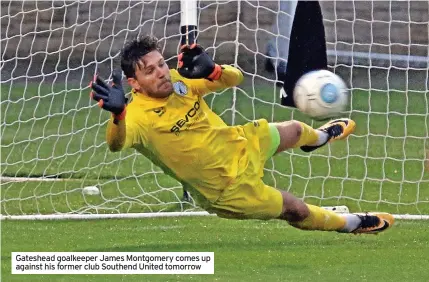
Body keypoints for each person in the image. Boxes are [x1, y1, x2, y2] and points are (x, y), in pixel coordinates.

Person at [90, 35, 394, 234]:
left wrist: (213, 71)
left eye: (161, 64)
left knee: (297, 129)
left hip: (240, 143)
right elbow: (116, 144)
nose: (161, 73)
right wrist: (118, 114)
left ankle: (322, 138)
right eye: (150, 71)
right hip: (227, 188)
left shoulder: (181, 82)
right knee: (295, 209)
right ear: (135, 83)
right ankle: (352, 224)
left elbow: (236, 78)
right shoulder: (138, 118)